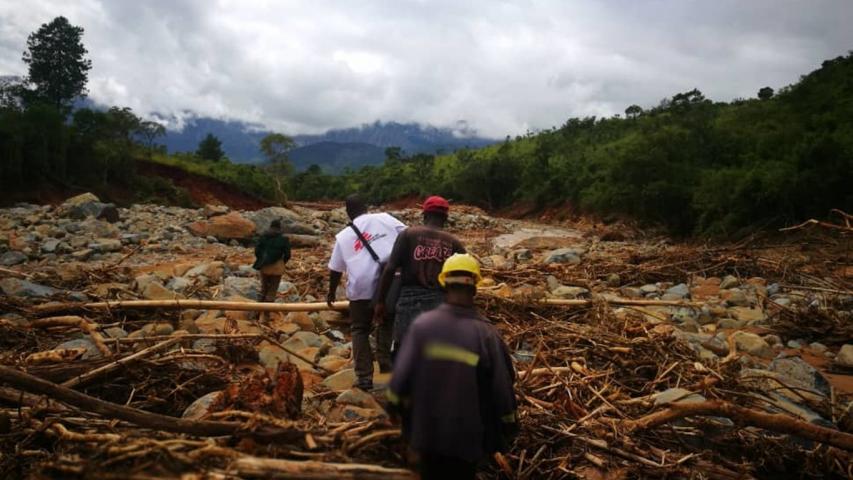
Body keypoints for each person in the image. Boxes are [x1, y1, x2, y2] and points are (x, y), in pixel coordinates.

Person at [387, 254, 518, 480]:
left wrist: (398, 420)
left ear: (444, 285)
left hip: (425, 436)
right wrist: (509, 426)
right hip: (465, 441)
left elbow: (398, 384)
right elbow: (502, 390)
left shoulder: (422, 326)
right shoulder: (486, 334)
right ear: (475, 288)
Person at [327, 194, 406, 390]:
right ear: (366, 207)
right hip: (390, 283)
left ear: (347, 212)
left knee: (360, 329)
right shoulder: (386, 219)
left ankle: (364, 377)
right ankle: (385, 362)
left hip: (361, 288)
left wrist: (331, 292)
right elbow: (408, 236)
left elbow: (335, 268)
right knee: (387, 321)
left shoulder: (344, 236)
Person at [375, 195, 465, 353]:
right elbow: (464, 277)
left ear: (424, 215)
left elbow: (390, 269)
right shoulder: (454, 243)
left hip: (408, 302)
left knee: (403, 350)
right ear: (445, 217)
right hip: (439, 303)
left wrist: (381, 301)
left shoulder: (408, 235)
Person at [252, 218, 292, 304]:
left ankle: (258, 309)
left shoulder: (263, 236)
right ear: (279, 228)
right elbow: (288, 255)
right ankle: (267, 312)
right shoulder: (284, 239)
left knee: (264, 288)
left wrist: (261, 259)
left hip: (264, 265)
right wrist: (283, 262)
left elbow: (257, 250)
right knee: (273, 289)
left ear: (270, 227)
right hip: (277, 267)